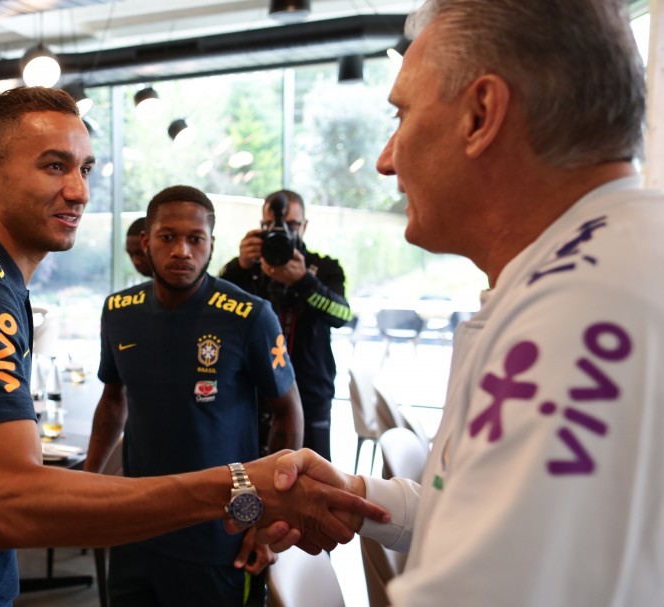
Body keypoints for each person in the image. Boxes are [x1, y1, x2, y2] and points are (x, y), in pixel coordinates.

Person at [0, 87, 389, 606]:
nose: (78, 189)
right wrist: (240, 484)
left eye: (85, 169)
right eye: (54, 166)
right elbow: (10, 502)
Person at [265, 0, 664, 605]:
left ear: (481, 114)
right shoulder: (596, 266)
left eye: (401, 115)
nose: (386, 158)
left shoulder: (574, 317)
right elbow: (478, 511)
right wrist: (353, 492)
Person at [85, 185, 304, 606]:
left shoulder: (250, 315)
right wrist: (86, 485)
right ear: (146, 243)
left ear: (211, 244)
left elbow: (288, 412)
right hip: (136, 527)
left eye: (195, 239)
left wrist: (270, 516)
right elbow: (113, 400)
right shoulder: (118, 311)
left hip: (219, 532)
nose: (182, 250)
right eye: (168, 237)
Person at [221, 190, 351, 460]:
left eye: (291, 226)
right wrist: (240, 268)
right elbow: (216, 306)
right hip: (252, 395)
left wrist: (304, 282)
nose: (282, 232)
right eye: (271, 226)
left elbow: (342, 315)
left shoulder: (323, 268)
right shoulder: (248, 267)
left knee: (313, 477)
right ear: (260, 227)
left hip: (310, 393)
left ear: (304, 226)